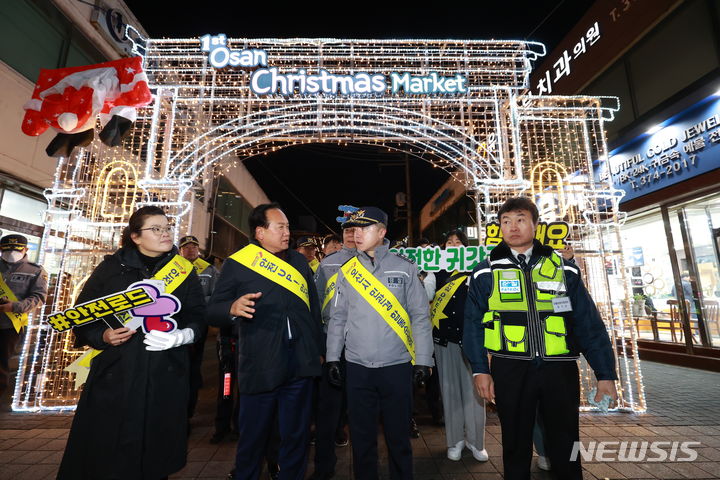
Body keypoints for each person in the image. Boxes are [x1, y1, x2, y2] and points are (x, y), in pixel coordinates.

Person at [463, 196, 618, 480]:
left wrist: (605, 374)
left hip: (558, 369)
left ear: (535, 225)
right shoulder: (485, 272)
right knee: (514, 444)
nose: (513, 227)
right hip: (510, 368)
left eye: (521, 219)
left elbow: (587, 323)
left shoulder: (563, 268)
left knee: (566, 444)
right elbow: (472, 326)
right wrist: (480, 370)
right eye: (506, 221)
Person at [57, 206, 206, 480]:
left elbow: (198, 316)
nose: (165, 234)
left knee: (156, 453)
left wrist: (183, 336)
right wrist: (102, 336)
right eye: (156, 229)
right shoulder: (112, 268)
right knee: (109, 449)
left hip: (166, 372)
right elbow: (81, 316)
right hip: (117, 371)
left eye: (167, 228)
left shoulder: (184, 270)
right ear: (136, 236)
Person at [206, 202, 323, 480]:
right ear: (260, 232)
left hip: (300, 365)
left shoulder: (298, 261)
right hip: (260, 365)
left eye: (287, 226)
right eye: (280, 227)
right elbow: (211, 310)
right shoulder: (238, 263)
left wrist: (317, 349)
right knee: (253, 437)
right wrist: (230, 308)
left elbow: (314, 310)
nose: (287, 232)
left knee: (296, 435)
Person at [326, 207, 433, 480]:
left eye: (365, 228)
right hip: (358, 367)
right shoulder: (347, 271)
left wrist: (423, 360)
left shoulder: (406, 268)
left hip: (396, 367)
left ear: (382, 232)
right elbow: (338, 317)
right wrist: (332, 358)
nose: (356, 234)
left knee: (398, 439)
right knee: (362, 441)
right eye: (354, 229)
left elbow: (421, 317)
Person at [431, 229, 487, 462]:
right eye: (449, 242)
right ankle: (454, 441)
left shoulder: (477, 269)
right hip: (444, 340)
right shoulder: (436, 270)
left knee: (475, 392)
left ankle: (476, 442)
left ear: (467, 247)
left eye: (458, 242)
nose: (453, 245)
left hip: (472, 340)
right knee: (449, 390)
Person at [308, 222, 357, 480]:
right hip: (332, 343)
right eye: (347, 230)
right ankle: (323, 467)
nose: (352, 234)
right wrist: (319, 347)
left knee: (361, 409)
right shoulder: (328, 264)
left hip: (364, 345)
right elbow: (314, 309)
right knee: (328, 408)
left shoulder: (374, 262)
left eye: (357, 229)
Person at [0, 234, 47, 400]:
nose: (11, 253)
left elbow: (38, 298)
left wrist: (14, 306)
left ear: (25, 249)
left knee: (1, 363)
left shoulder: (35, 271)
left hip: (11, 324)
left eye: (16, 249)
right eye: (7, 250)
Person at [178, 235, 216, 423]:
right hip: (174, 325)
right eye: (187, 247)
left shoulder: (208, 269)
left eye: (194, 246)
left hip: (197, 325)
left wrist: (197, 302)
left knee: (193, 368)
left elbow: (215, 295)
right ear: (180, 250)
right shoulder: (171, 268)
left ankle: (188, 412)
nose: (191, 249)